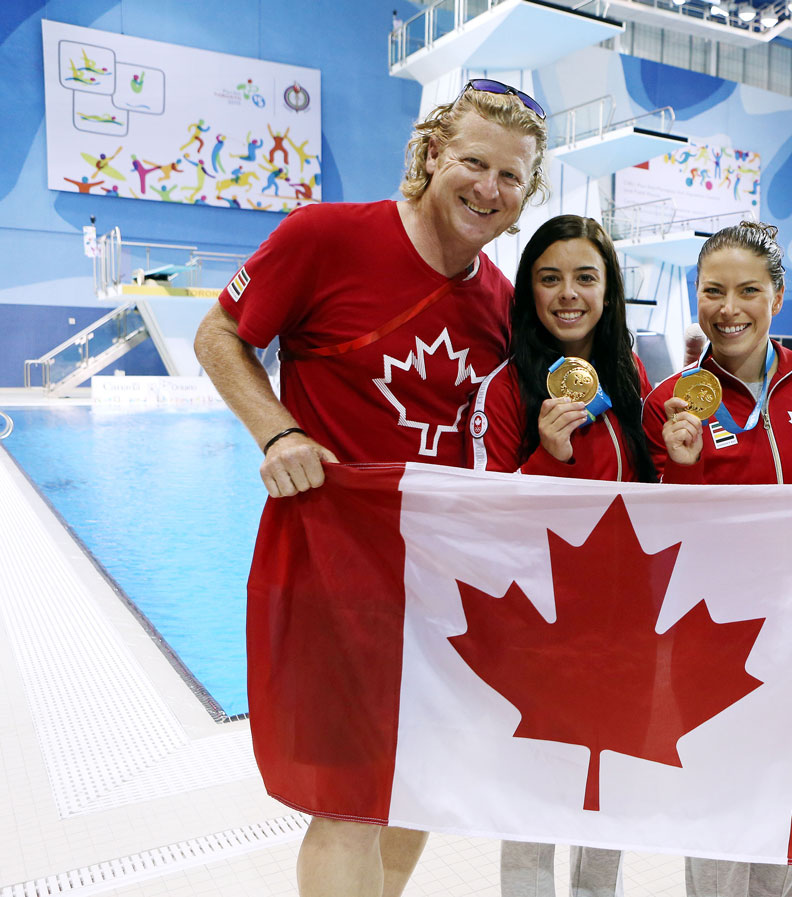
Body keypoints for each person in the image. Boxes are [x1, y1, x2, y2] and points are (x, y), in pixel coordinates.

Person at [193, 80, 548, 897]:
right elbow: (219, 334)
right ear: (432, 152)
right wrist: (277, 431)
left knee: (420, 784)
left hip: (439, 583)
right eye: (474, 162)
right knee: (350, 804)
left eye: (512, 176)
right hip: (334, 570)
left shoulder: (502, 305)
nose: (489, 188)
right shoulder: (324, 237)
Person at [643, 221, 792, 897]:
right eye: (713, 291)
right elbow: (660, 546)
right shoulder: (668, 404)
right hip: (713, 644)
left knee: (790, 805)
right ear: (695, 296)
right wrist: (683, 468)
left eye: (748, 290)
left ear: (776, 296)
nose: (730, 308)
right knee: (716, 810)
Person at [469, 214, 653, 896]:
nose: (568, 294)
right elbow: (482, 524)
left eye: (585, 277)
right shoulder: (505, 390)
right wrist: (549, 458)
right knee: (535, 804)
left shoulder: (630, 375)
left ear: (609, 290)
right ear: (528, 292)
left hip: (624, 633)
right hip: (538, 636)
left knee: (609, 800)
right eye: (550, 278)